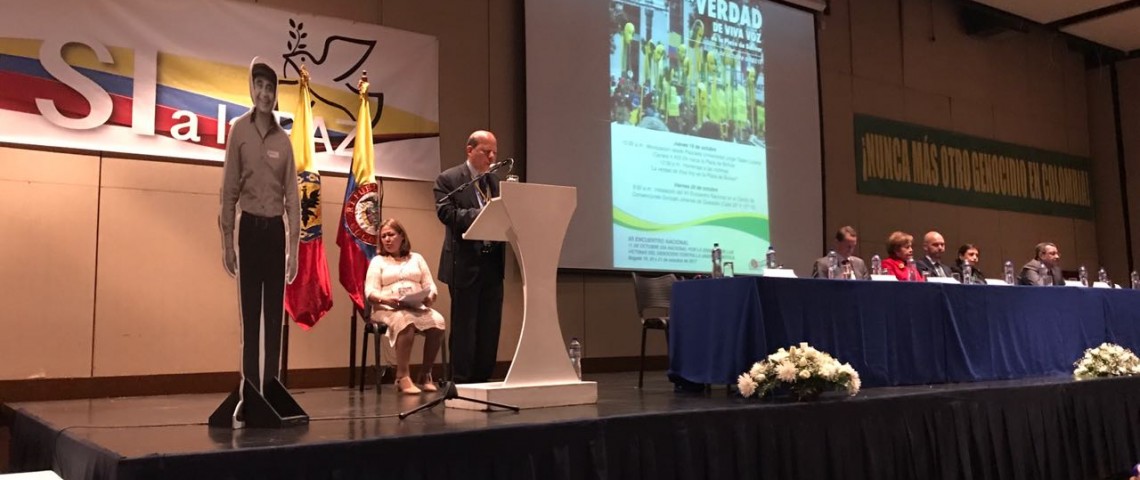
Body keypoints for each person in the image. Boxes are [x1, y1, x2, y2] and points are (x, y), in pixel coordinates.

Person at [217, 58, 300, 419]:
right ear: (252, 89)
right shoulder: (239, 130)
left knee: (274, 318)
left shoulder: (284, 139)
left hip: (275, 235)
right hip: (249, 230)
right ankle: (249, 390)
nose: (265, 94)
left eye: (271, 88)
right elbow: (228, 189)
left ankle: (271, 386)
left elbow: (294, 198)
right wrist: (226, 242)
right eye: (259, 86)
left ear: (276, 94)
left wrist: (294, 250)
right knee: (250, 317)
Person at [433, 130, 506, 384]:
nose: (492, 156)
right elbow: (447, 214)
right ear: (470, 150)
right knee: (466, 326)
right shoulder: (449, 179)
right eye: (486, 151)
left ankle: (484, 379)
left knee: (489, 325)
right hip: (463, 264)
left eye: (494, 152)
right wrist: (483, 214)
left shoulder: (495, 183)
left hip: (492, 264)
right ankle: (461, 381)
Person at [365, 219, 445, 395]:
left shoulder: (417, 258)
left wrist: (429, 298)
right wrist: (386, 299)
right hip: (386, 309)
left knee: (438, 322)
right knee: (406, 321)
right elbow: (370, 292)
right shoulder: (378, 261)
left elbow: (430, 286)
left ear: (402, 236)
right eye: (383, 236)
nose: (387, 239)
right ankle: (402, 377)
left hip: (416, 306)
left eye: (391, 234)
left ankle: (425, 374)